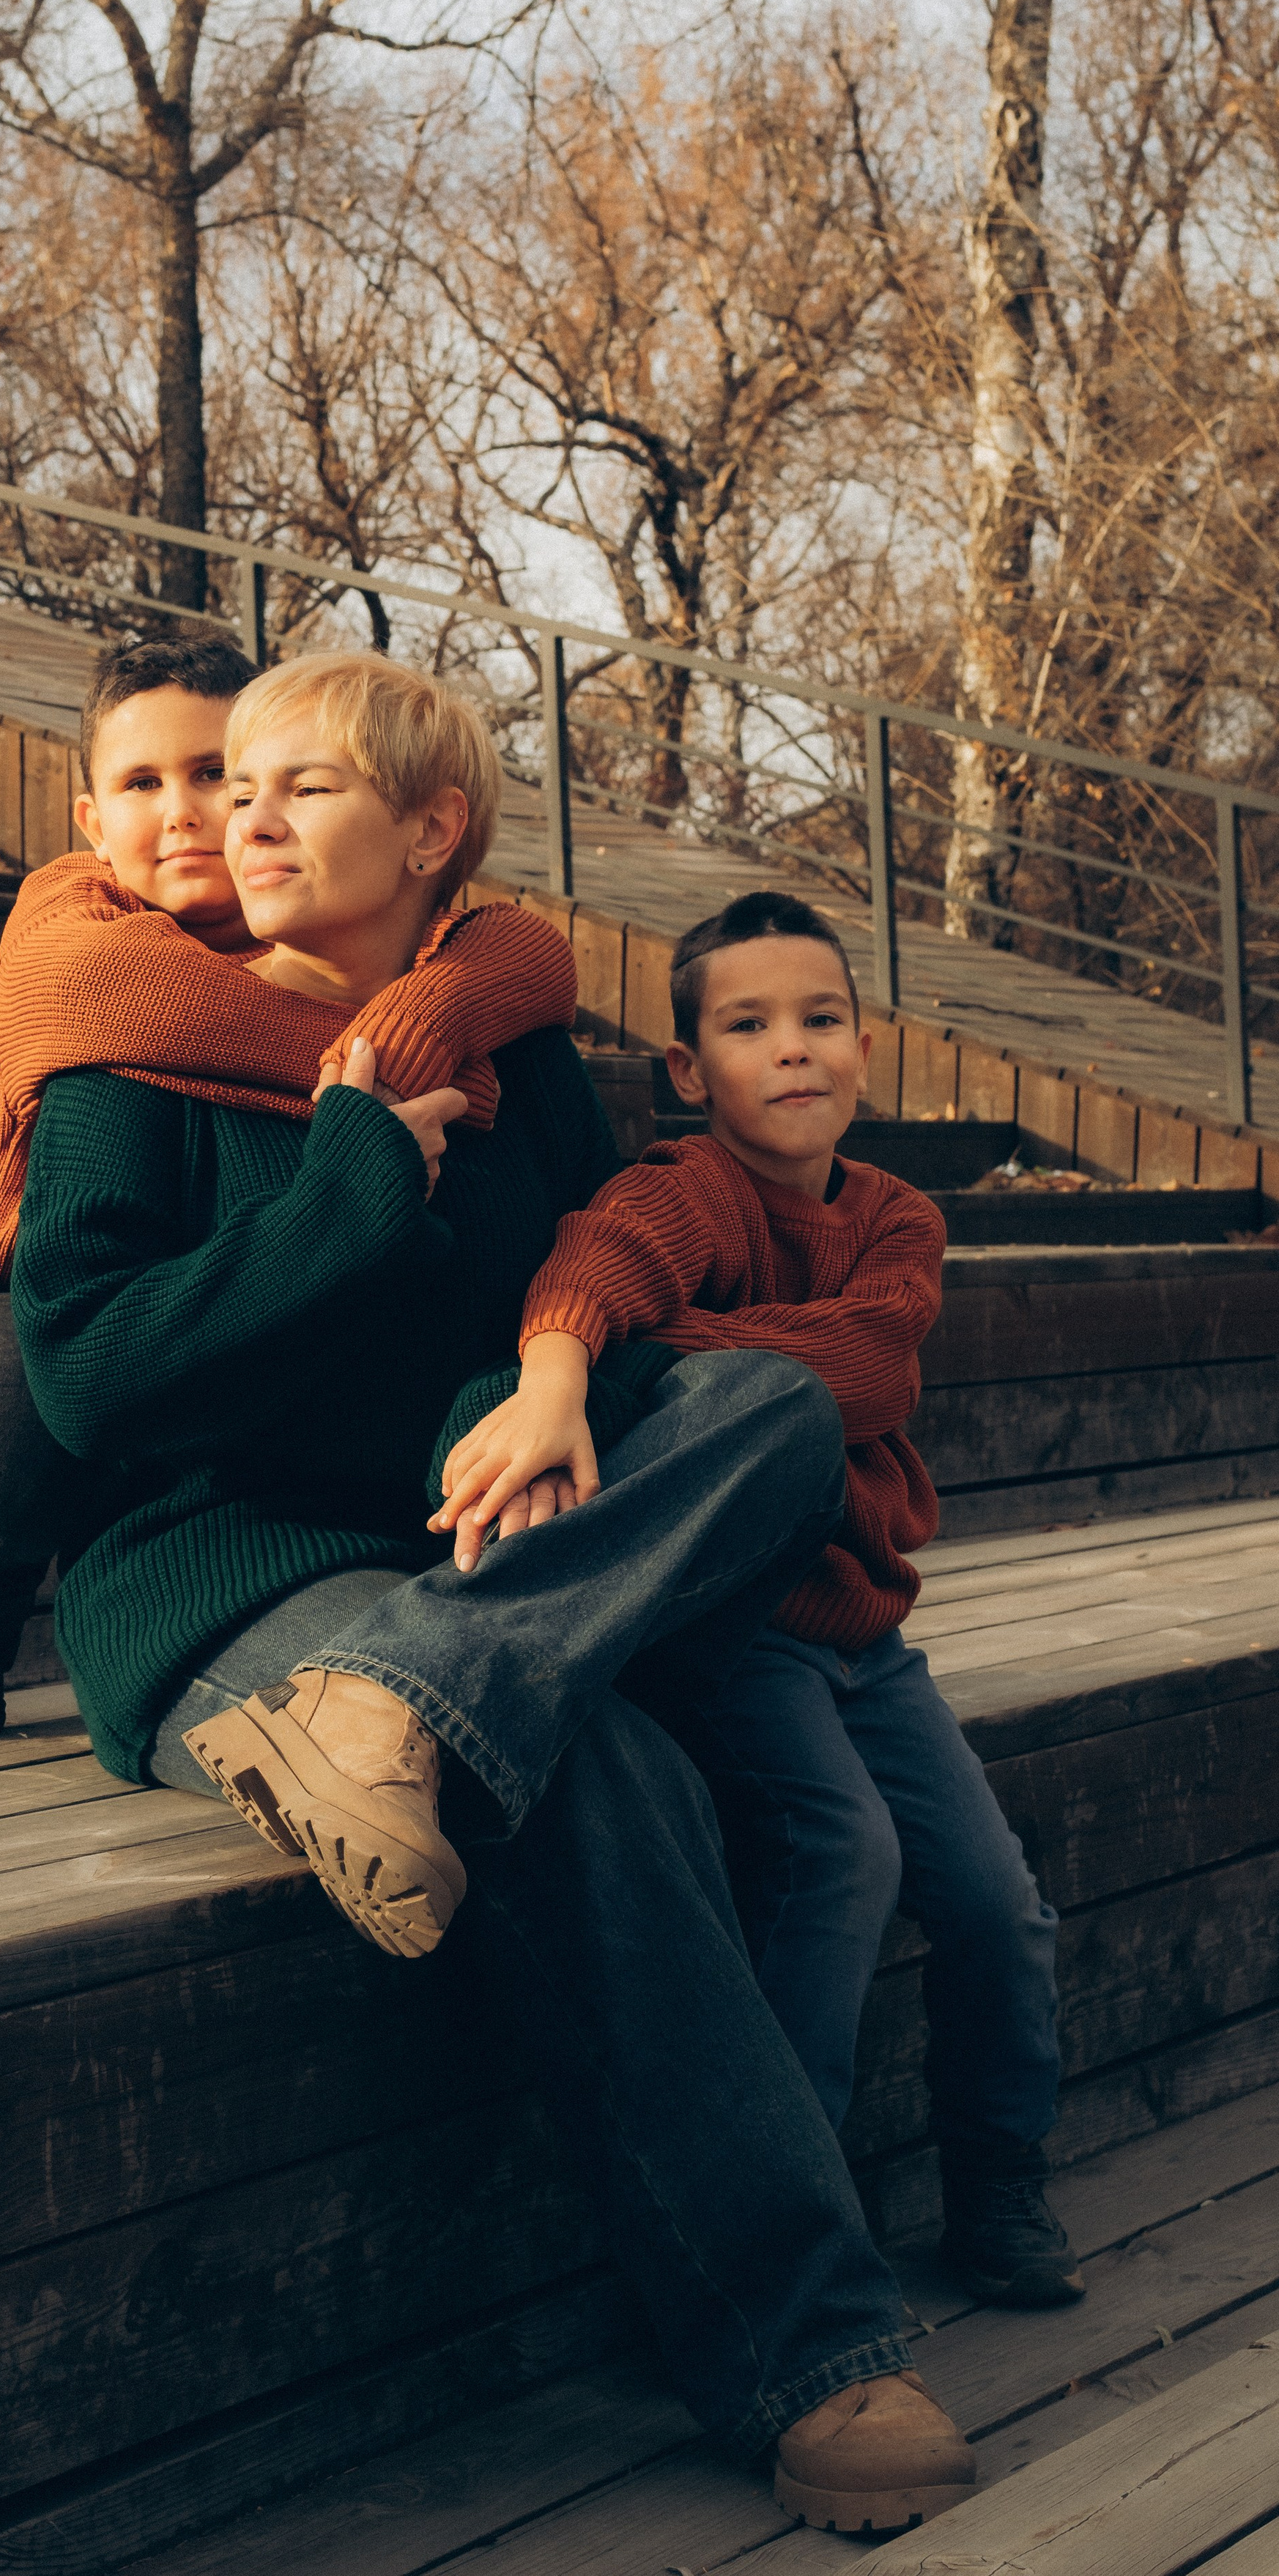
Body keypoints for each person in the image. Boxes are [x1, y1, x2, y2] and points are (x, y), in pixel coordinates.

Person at [13, 659, 979, 2539]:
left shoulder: (508, 1050)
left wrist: (521, 1403)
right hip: (223, 1577)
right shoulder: (122, 1057)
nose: (242, 818)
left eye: (298, 788)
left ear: (429, 833)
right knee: (589, 1775)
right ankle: (812, 2348)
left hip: (448, 1567)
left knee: (765, 1403)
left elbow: (544, 1305)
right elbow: (92, 1386)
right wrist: (350, 1175)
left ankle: (418, 1695)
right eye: (233, 786)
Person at [433, 886, 1079, 2315]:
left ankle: (996, 2181)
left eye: (818, 1020)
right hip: (739, 1635)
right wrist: (573, 1363)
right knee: (836, 1855)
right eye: (745, 1026)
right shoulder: (678, 1192)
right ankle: (792, 2216)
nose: (789, 1049)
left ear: (863, 1048)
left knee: (993, 1901)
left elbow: (866, 1374)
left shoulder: (893, 1216)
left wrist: (676, 1348)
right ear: (686, 1070)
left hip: (868, 1633)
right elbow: (595, 1274)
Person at [0, 625, 574, 1743]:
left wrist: (432, 1003)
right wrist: (378, 1072)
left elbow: (527, 951)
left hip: (221, 1342)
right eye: (146, 783)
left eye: (220, 774)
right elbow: (178, 1019)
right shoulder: (90, 942)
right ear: (94, 826)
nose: (201, 814)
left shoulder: (300, 926)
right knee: (5, 1378)